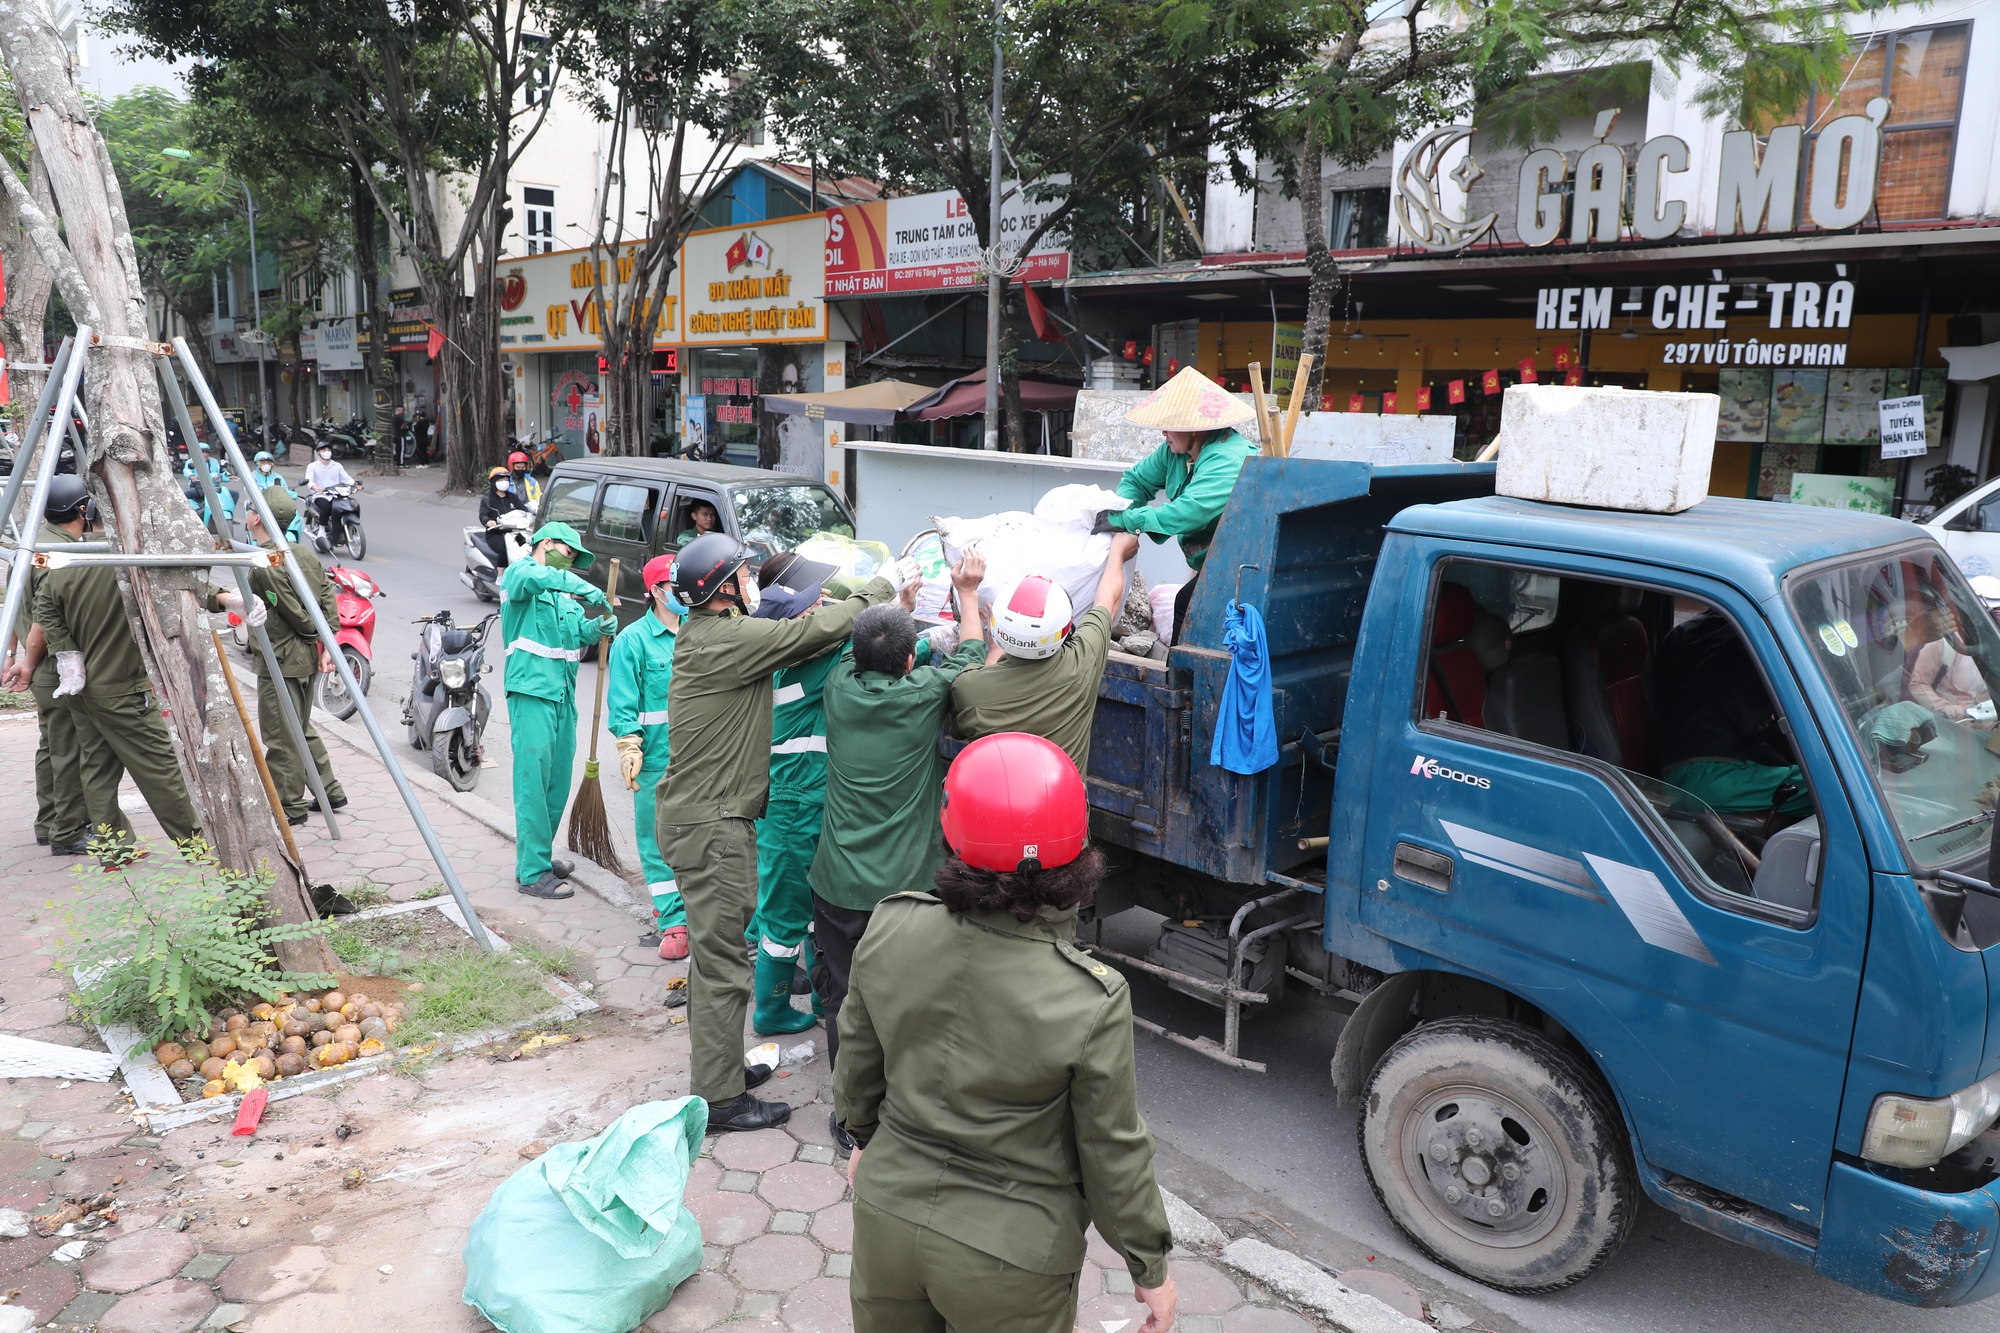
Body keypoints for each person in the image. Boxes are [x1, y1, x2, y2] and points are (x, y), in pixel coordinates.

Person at [835, 732, 1177, 1333]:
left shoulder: (890, 926)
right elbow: (1111, 1150)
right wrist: (1149, 1267)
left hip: (886, 1214)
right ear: (1079, 853)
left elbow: (858, 1066)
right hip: (1012, 1260)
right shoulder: (1088, 997)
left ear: (952, 830)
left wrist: (863, 1138)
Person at [654, 532, 898, 1133]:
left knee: (718, 962)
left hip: (704, 819)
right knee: (721, 965)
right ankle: (718, 1101)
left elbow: (793, 631)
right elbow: (807, 634)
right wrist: (877, 589)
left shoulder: (712, 635)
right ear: (722, 588)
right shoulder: (728, 639)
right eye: (743, 576)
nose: (752, 585)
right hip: (713, 826)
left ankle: (723, 1070)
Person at [808, 553, 986, 1152]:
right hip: (907, 893)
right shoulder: (925, 693)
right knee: (911, 1003)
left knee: (843, 999)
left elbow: (849, 652)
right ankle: (906, 1117)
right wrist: (966, 592)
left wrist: (898, 611)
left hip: (836, 885)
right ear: (911, 661)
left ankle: (846, 1117)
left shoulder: (837, 686)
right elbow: (969, 654)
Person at [33, 485, 204, 864]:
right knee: (161, 771)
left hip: (81, 688)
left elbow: (43, 609)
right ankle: (198, 846)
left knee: (96, 767)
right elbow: (177, 584)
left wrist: (67, 654)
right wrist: (226, 597)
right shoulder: (127, 561)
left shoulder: (65, 563)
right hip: (123, 689)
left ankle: (114, 849)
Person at [746, 549, 846, 1038]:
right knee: (785, 918)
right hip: (792, 806)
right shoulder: (809, 666)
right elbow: (865, 641)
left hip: (798, 801)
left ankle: (815, 996)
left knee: (809, 912)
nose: (819, 613)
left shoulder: (781, 660)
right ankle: (772, 1010)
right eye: (810, 610)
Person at [203, 488, 346, 825]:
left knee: (281, 734)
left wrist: (317, 636)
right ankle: (329, 789)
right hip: (302, 655)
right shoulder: (301, 553)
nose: (247, 514)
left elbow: (298, 614)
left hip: (283, 657)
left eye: (250, 509)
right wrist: (325, 642)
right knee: (298, 725)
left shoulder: (265, 561)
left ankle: (289, 805)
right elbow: (327, 597)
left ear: (256, 518)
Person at [952, 532, 1140, 776]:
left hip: (996, 811)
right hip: (1062, 811)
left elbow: (970, 659)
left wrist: (967, 595)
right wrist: (1117, 552)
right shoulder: (1080, 662)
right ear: (1065, 630)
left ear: (995, 631)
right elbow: (1107, 602)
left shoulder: (968, 688)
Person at [1100, 366, 1258, 646]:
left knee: (1187, 607)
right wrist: (1119, 508)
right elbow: (1137, 480)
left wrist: (1131, 521)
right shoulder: (1174, 451)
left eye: (1170, 424)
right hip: (1209, 562)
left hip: (1242, 563)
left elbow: (1190, 511)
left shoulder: (1227, 458)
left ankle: (1182, 681)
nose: (1164, 432)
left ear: (1194, 428)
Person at [502, 520, 618, 898]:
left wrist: (597, 628)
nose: (569, 563)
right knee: (532, 784)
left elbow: (575, 638)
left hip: (564, 697)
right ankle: (531, 873)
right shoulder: (522, 574)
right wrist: (589, 588)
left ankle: (538, 854)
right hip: (532, 692)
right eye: (568, 554)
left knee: (555, 785)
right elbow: (540, 577)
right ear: (546, 543)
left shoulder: (563, 598)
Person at [2, 475, 91, 856]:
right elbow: (43, 618)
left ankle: (48, 821)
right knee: (69, 747)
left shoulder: (31, 546)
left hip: (37, 666)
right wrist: (28, 660)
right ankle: (67, 831)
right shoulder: (61, 556)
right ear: (82, 510)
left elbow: (13, 607)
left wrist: (13, 656)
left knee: (50, 745)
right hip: (54, 665)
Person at [1655, 607, 1812, 817]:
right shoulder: (1762, 638)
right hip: (1710, 775)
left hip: (1688, 763)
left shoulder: (1687, 630)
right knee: (1833, 790)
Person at [609, 555, 689, 959]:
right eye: (678, 588)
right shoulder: (633, 641)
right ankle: (673, 921)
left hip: (700, 758)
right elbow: (623, 705)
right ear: (658, 592)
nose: (687, 595)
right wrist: (629, 746)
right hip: (656, 760)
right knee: (657, 843)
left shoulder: (700, 632)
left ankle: (704, 916)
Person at [305, 442, 359, 532]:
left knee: (350, 505)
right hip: (321, 496)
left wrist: (355, 485)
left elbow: (346, 478)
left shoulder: (337, 466)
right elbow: (309, 480)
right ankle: (322, 530)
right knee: (326, 507)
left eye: (328, 450)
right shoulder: (312, 466)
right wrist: (315, 487)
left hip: (337, 495)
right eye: (324, 450)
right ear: (318, 452)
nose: (327, 452)